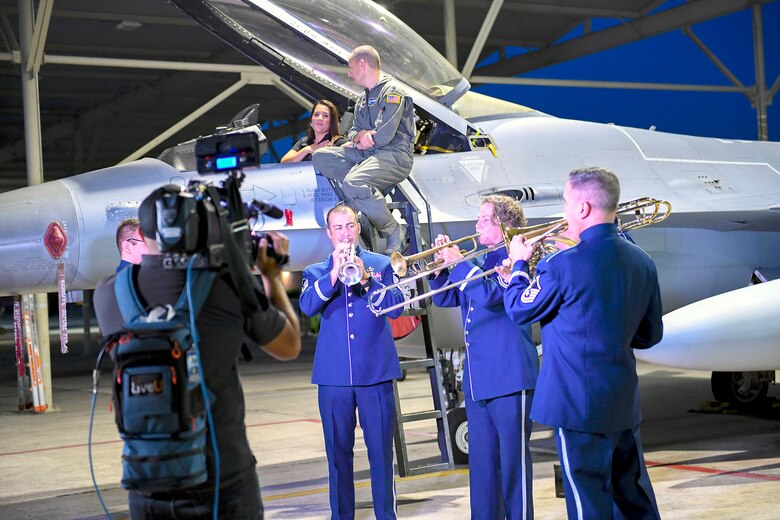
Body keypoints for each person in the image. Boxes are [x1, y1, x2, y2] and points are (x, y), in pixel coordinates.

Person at [94, 186, 302, 520]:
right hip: (222, 482)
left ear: (144, 233)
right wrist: (271, 275)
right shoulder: (227, 285)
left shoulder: (108, 294)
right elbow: (289, 345)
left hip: (147, 487)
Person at [502, 167, 663, 520]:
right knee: (633, 499)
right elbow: (650, 336)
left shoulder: (559, 264)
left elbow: (517, 309)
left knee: (588, 501)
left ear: (584, 209)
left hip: (576, 405)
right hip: (622, 402)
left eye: (565, 203)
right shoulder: (643, 262)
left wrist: (517, 266)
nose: (563, 213)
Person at [428, 194, 539, 520]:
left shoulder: (516, 258)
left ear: (502, 224)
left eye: (482, 220)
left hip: (509, 376)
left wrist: (459, 262)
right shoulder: (480, 260)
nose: (475, 225)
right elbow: (449, 297)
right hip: (478, 381)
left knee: (513, 464)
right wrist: (441, 266)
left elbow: (491, 295)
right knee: (483, 468)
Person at [299, 204, 405, 519]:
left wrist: (367, 280)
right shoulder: (315, 272)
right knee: (337, 457)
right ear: (329, 234)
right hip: (333, 380)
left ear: (358, 228)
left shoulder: (381, 264)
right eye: (338, 228)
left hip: (376, 375)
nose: (345, 233)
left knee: (382, 455)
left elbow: (397, 308)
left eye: (349, 226)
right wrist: (334, 274)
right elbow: (307, 307)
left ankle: (386, 515)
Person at [312, 45, 415, 255]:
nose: (350, 74)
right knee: (320, 156)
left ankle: (393, 229)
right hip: (367, 154)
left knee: (354, 182)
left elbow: (385, 136)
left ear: (362, 64)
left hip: (394, 155)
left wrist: (362, 138)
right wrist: (360, 137)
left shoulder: (392, 92)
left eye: (351, 68)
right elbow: (351, 133)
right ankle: (358, 195)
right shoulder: (362, 99)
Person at [281, 99, 347, 163]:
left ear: (332, 122)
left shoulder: (339, 143)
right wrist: (307, 149)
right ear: (311, 119)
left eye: (325, 115)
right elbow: (284, 162)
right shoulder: (304, 142)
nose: (319, 118)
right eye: (316, 114)